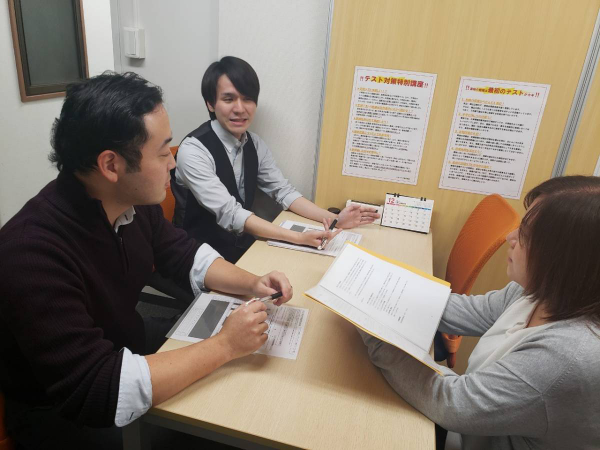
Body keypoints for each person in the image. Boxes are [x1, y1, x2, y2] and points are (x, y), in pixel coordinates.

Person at [0, 72, 294, 449]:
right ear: (111, 165)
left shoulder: (132, 203)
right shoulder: (31, 253)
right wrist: (225, 345)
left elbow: (184, 254)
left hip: (125, 341)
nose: (172, 163)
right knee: (215, 421)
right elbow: (96, 388)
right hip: (64, 408)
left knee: (245, 377)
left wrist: (252, 283)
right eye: (162, 152)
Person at [358, 176, 600, 450]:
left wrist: (372, 331)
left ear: (566, 260)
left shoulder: (567, 357)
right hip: (474, 431)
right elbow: (464, 311)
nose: (510, 238)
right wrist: (376, 286)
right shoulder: (538, 291)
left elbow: (452, 403)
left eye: (526, 235)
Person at [171, 56, 380, 262]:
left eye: (247, 99)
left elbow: (283, 191)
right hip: (196, 255)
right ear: (210, 104)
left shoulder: (254, 144)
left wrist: (335, 219)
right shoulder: (193, 150)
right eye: (228, 99)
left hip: (240, 248)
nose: (240, 108)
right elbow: (230, 213)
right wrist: (298, 238)